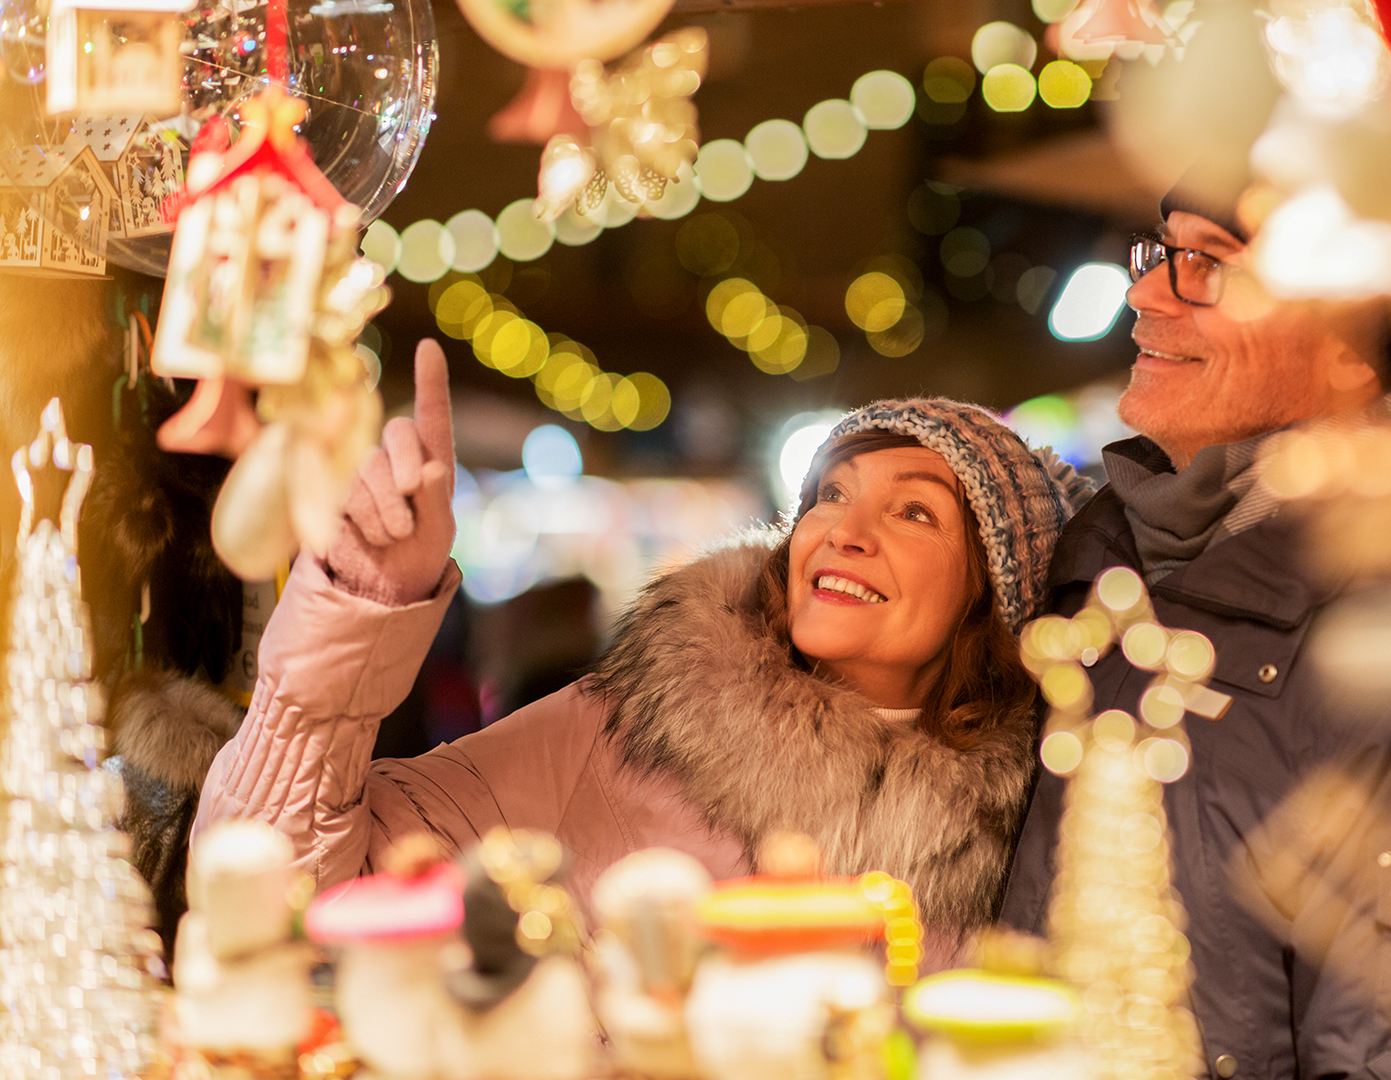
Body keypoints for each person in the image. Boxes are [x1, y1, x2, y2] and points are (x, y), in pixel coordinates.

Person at [193, 342, 1091, 946]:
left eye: (914, 511)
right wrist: (361, 605)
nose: (841, 531)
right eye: (830, 494)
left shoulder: (1034, 836)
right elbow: (274, 888)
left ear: (994, 595)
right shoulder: (628, 729)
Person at [998, 190, 1391, 1079]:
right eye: (1160, 252)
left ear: (1353, 332)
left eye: (1211, 265)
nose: (1147, 295)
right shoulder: (1101, 566)